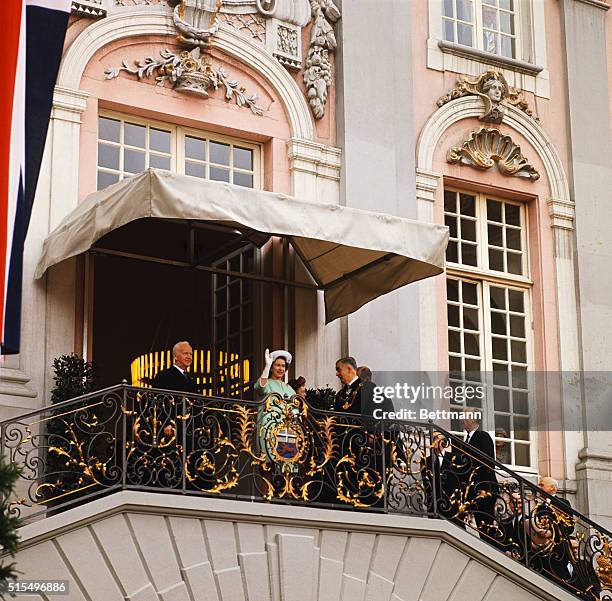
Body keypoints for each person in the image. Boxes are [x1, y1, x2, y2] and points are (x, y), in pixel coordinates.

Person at [453, 410, 500, 543]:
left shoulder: (482, 436)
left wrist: (483, 487)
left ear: (474, 419)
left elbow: (488, 464)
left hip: (483, 489)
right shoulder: (465, 439)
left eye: (465, 417)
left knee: (485, 526)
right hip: (470, 490)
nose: (462, 420)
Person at [420, 431, 458, 520]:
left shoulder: (454, 458)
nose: (434, 441)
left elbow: (460, 481)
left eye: (437, 438)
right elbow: (426, 484)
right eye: (432, 438)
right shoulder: (425, 461)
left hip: (452, 507)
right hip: (434, 507)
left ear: (444, 441)